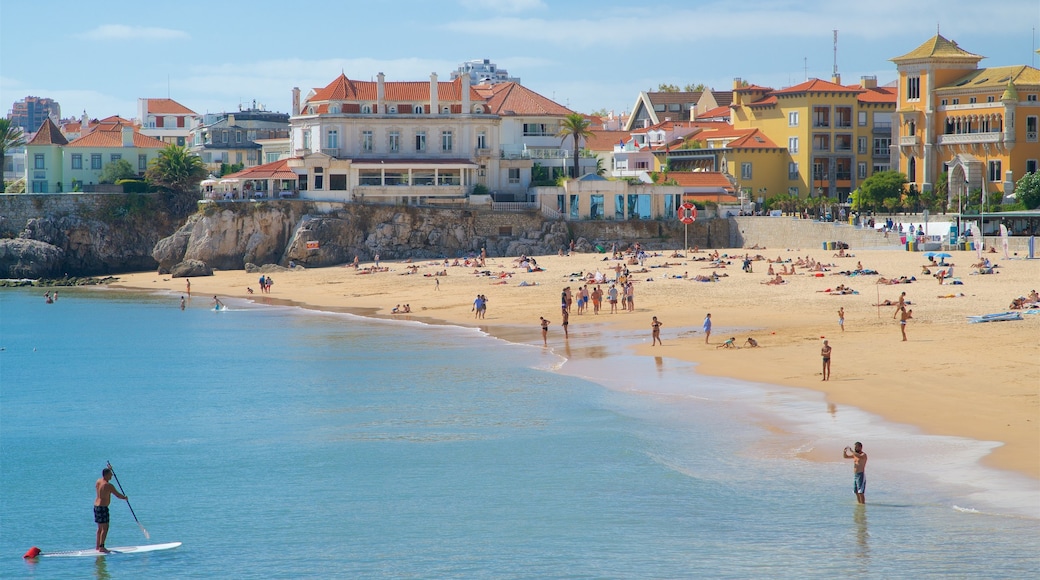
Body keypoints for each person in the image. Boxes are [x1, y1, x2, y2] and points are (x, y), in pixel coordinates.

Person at [94, 467, 128, 552]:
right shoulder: (108, 485)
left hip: (96, 506)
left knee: (100, 528)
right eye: (110, 474)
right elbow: (117, 495)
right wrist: (124, 498)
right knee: (105, 527)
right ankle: (102, 547)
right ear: (106, 475)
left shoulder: (98, 481)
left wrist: (110, 468)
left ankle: (98, 546)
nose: (112, 476)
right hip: (103, 507)